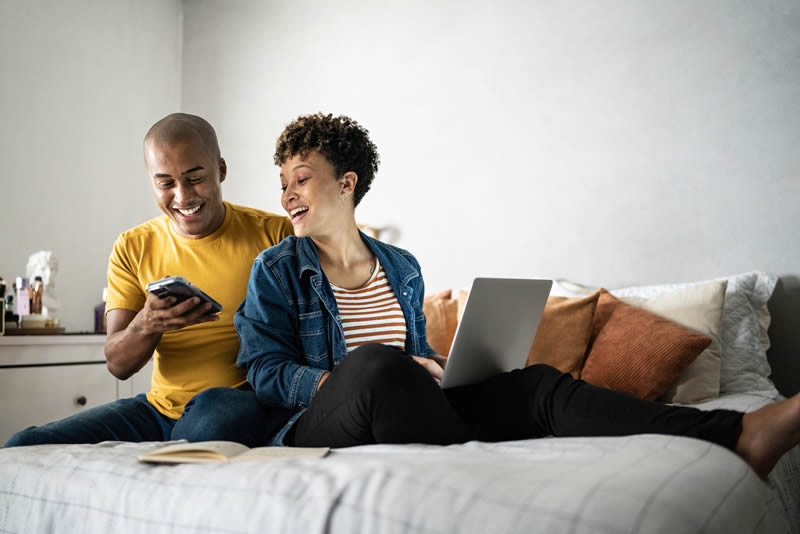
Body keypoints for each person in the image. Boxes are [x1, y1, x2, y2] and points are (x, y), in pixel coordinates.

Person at [234, 112, 800, 480]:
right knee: (377, 364)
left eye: (301, 178)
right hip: (316, 424)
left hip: (400, 401)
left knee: (533, 383)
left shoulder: (401, 266)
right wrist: (334, 379)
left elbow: (414, 348)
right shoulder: (277, 269)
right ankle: (481, 452)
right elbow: (262, 369)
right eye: (283, 181)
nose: (287, 194)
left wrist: (434, 366)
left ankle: (737, 432)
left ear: (346, 183)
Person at [5, 113, 295, 448]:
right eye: (166, 184)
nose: (183, 197)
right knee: (24, 445)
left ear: (221, 170)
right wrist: (148, 323)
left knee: (211, 416)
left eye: (195, 178)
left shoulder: (275, 234)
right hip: (159, 409)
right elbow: (118, 365)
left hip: (238, 404)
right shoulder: (133, 246)